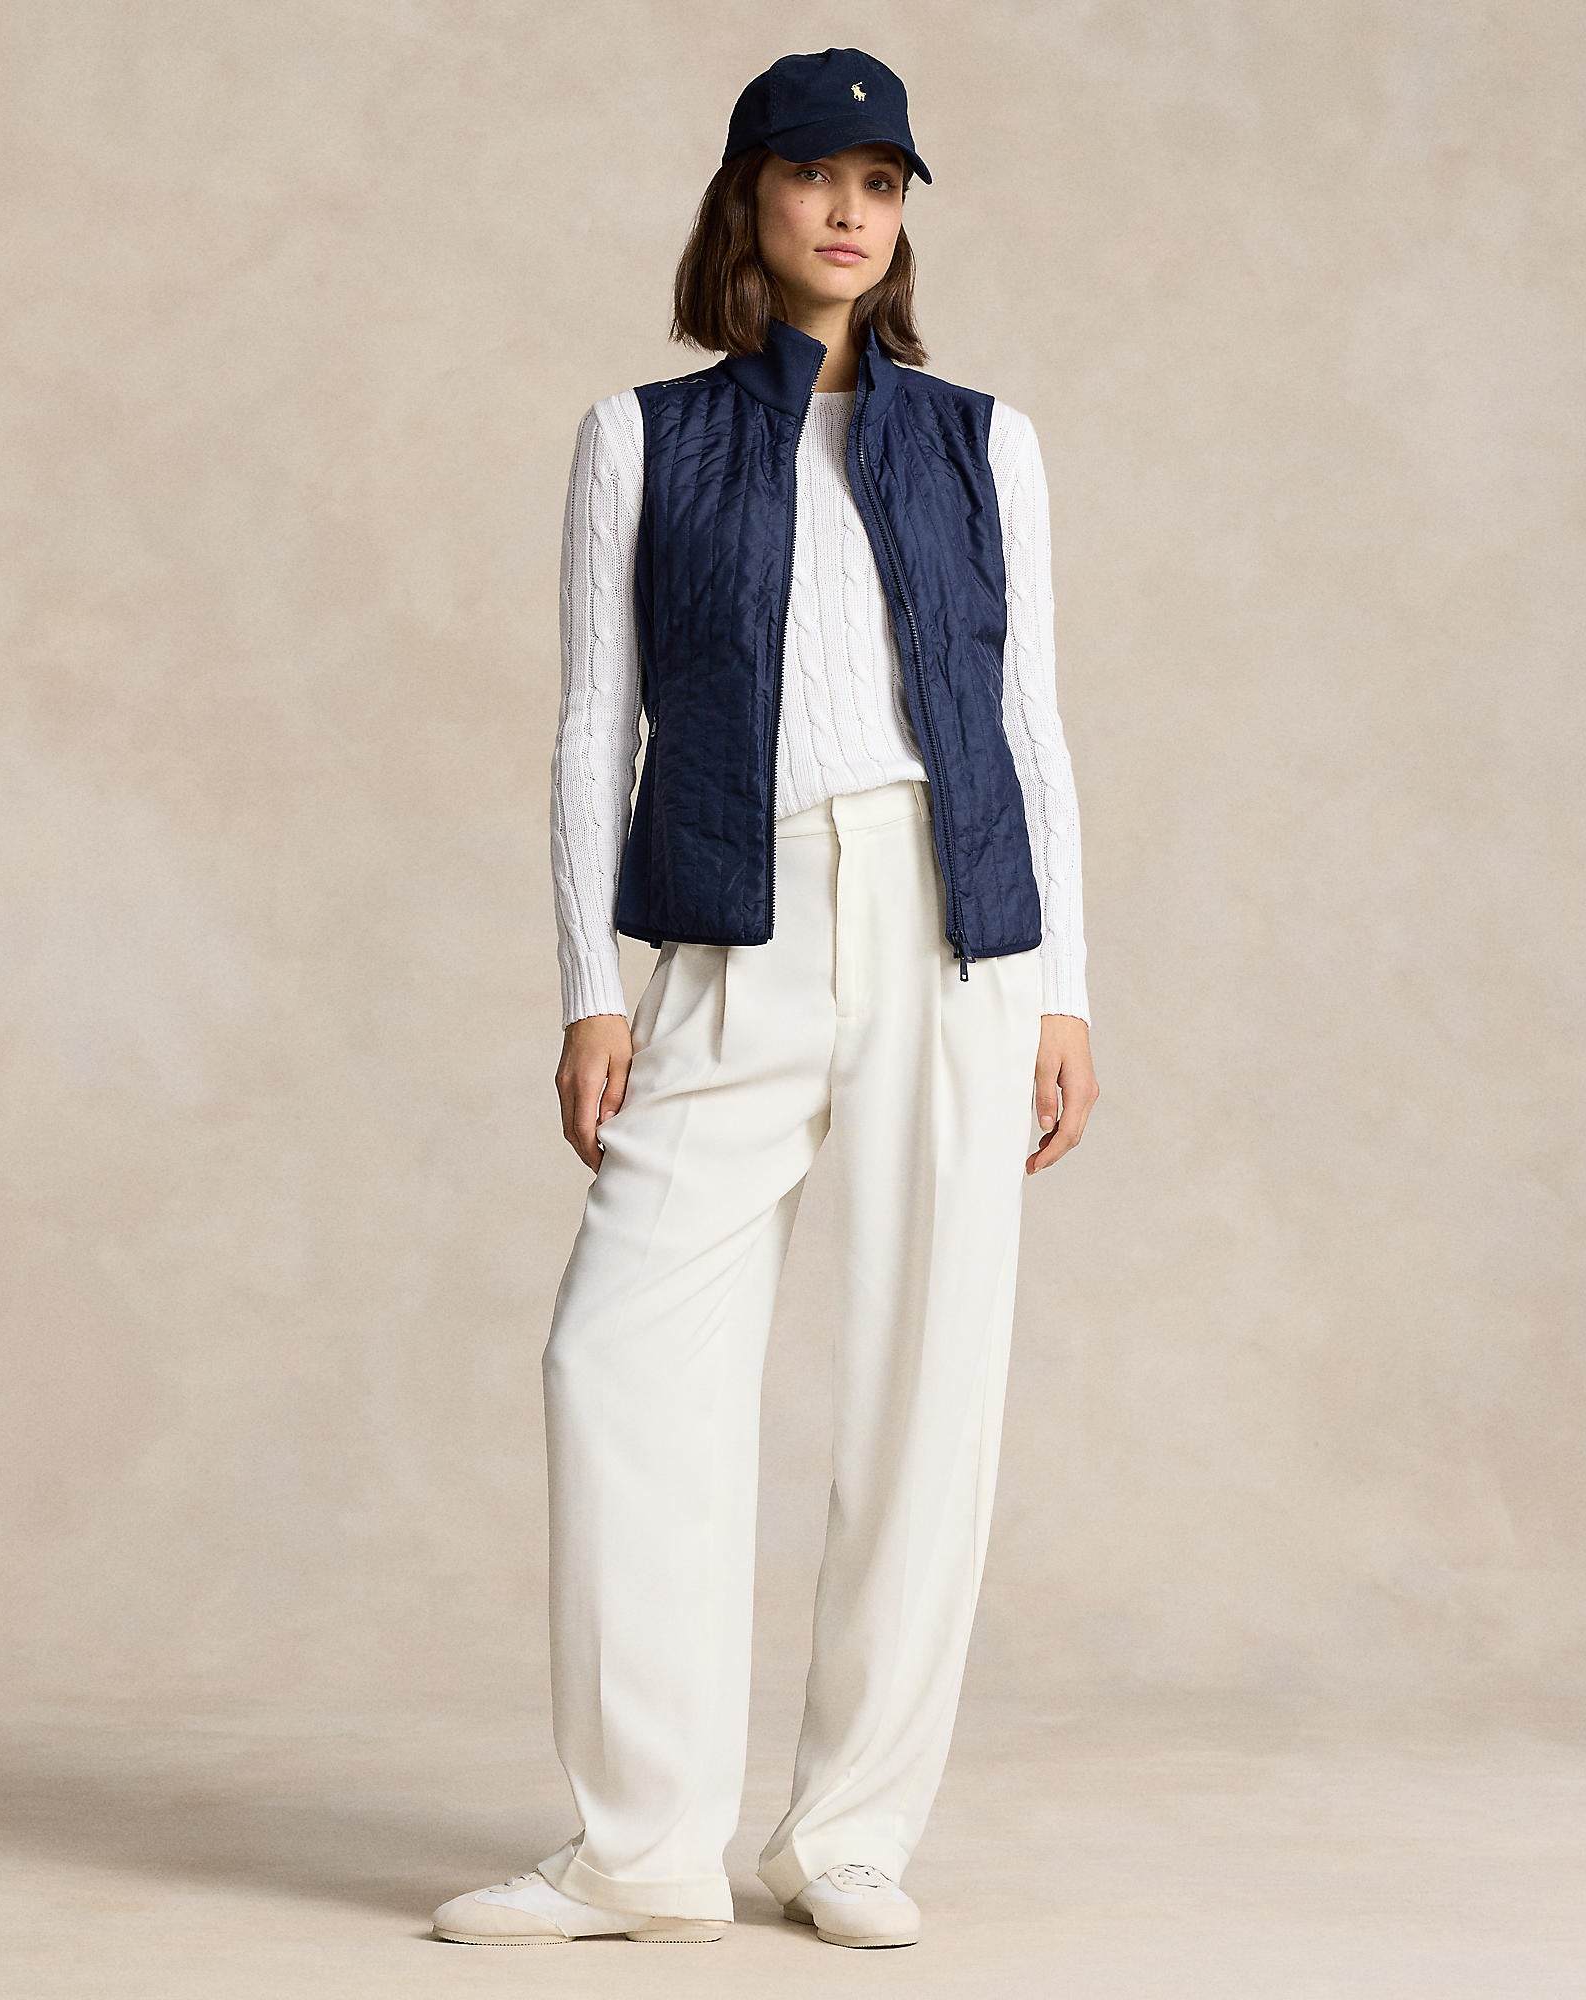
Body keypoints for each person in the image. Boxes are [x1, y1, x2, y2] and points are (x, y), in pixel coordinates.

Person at [433, 46, 1099, 1952]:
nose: (849, 211)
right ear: (750, 198)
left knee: (925, 1379)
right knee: (617, 1358)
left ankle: (849, 1835)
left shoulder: (985, 441)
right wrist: (590, 984)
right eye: (817, 176)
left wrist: (1064, 988)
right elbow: (595, 722)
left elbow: (1030, 721)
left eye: (882, 184)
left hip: (955, 929)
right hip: (732, 924)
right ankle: (643, 1851)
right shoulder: (637, 436)